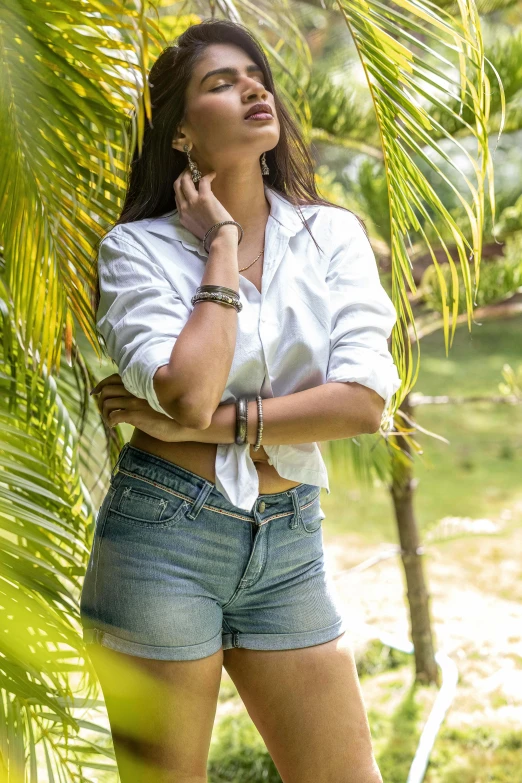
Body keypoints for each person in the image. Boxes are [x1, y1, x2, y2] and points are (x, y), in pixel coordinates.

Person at [81, 17, 401, 783]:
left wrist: (217, 423)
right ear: (183, 134)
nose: (253, 87)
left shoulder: (332, 236)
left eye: (254, 76)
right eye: (220, 83)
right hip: (164, 538)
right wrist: (220, 242)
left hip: (289, 545)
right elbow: (186, 389)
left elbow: (361, 401)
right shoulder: (138, 251)